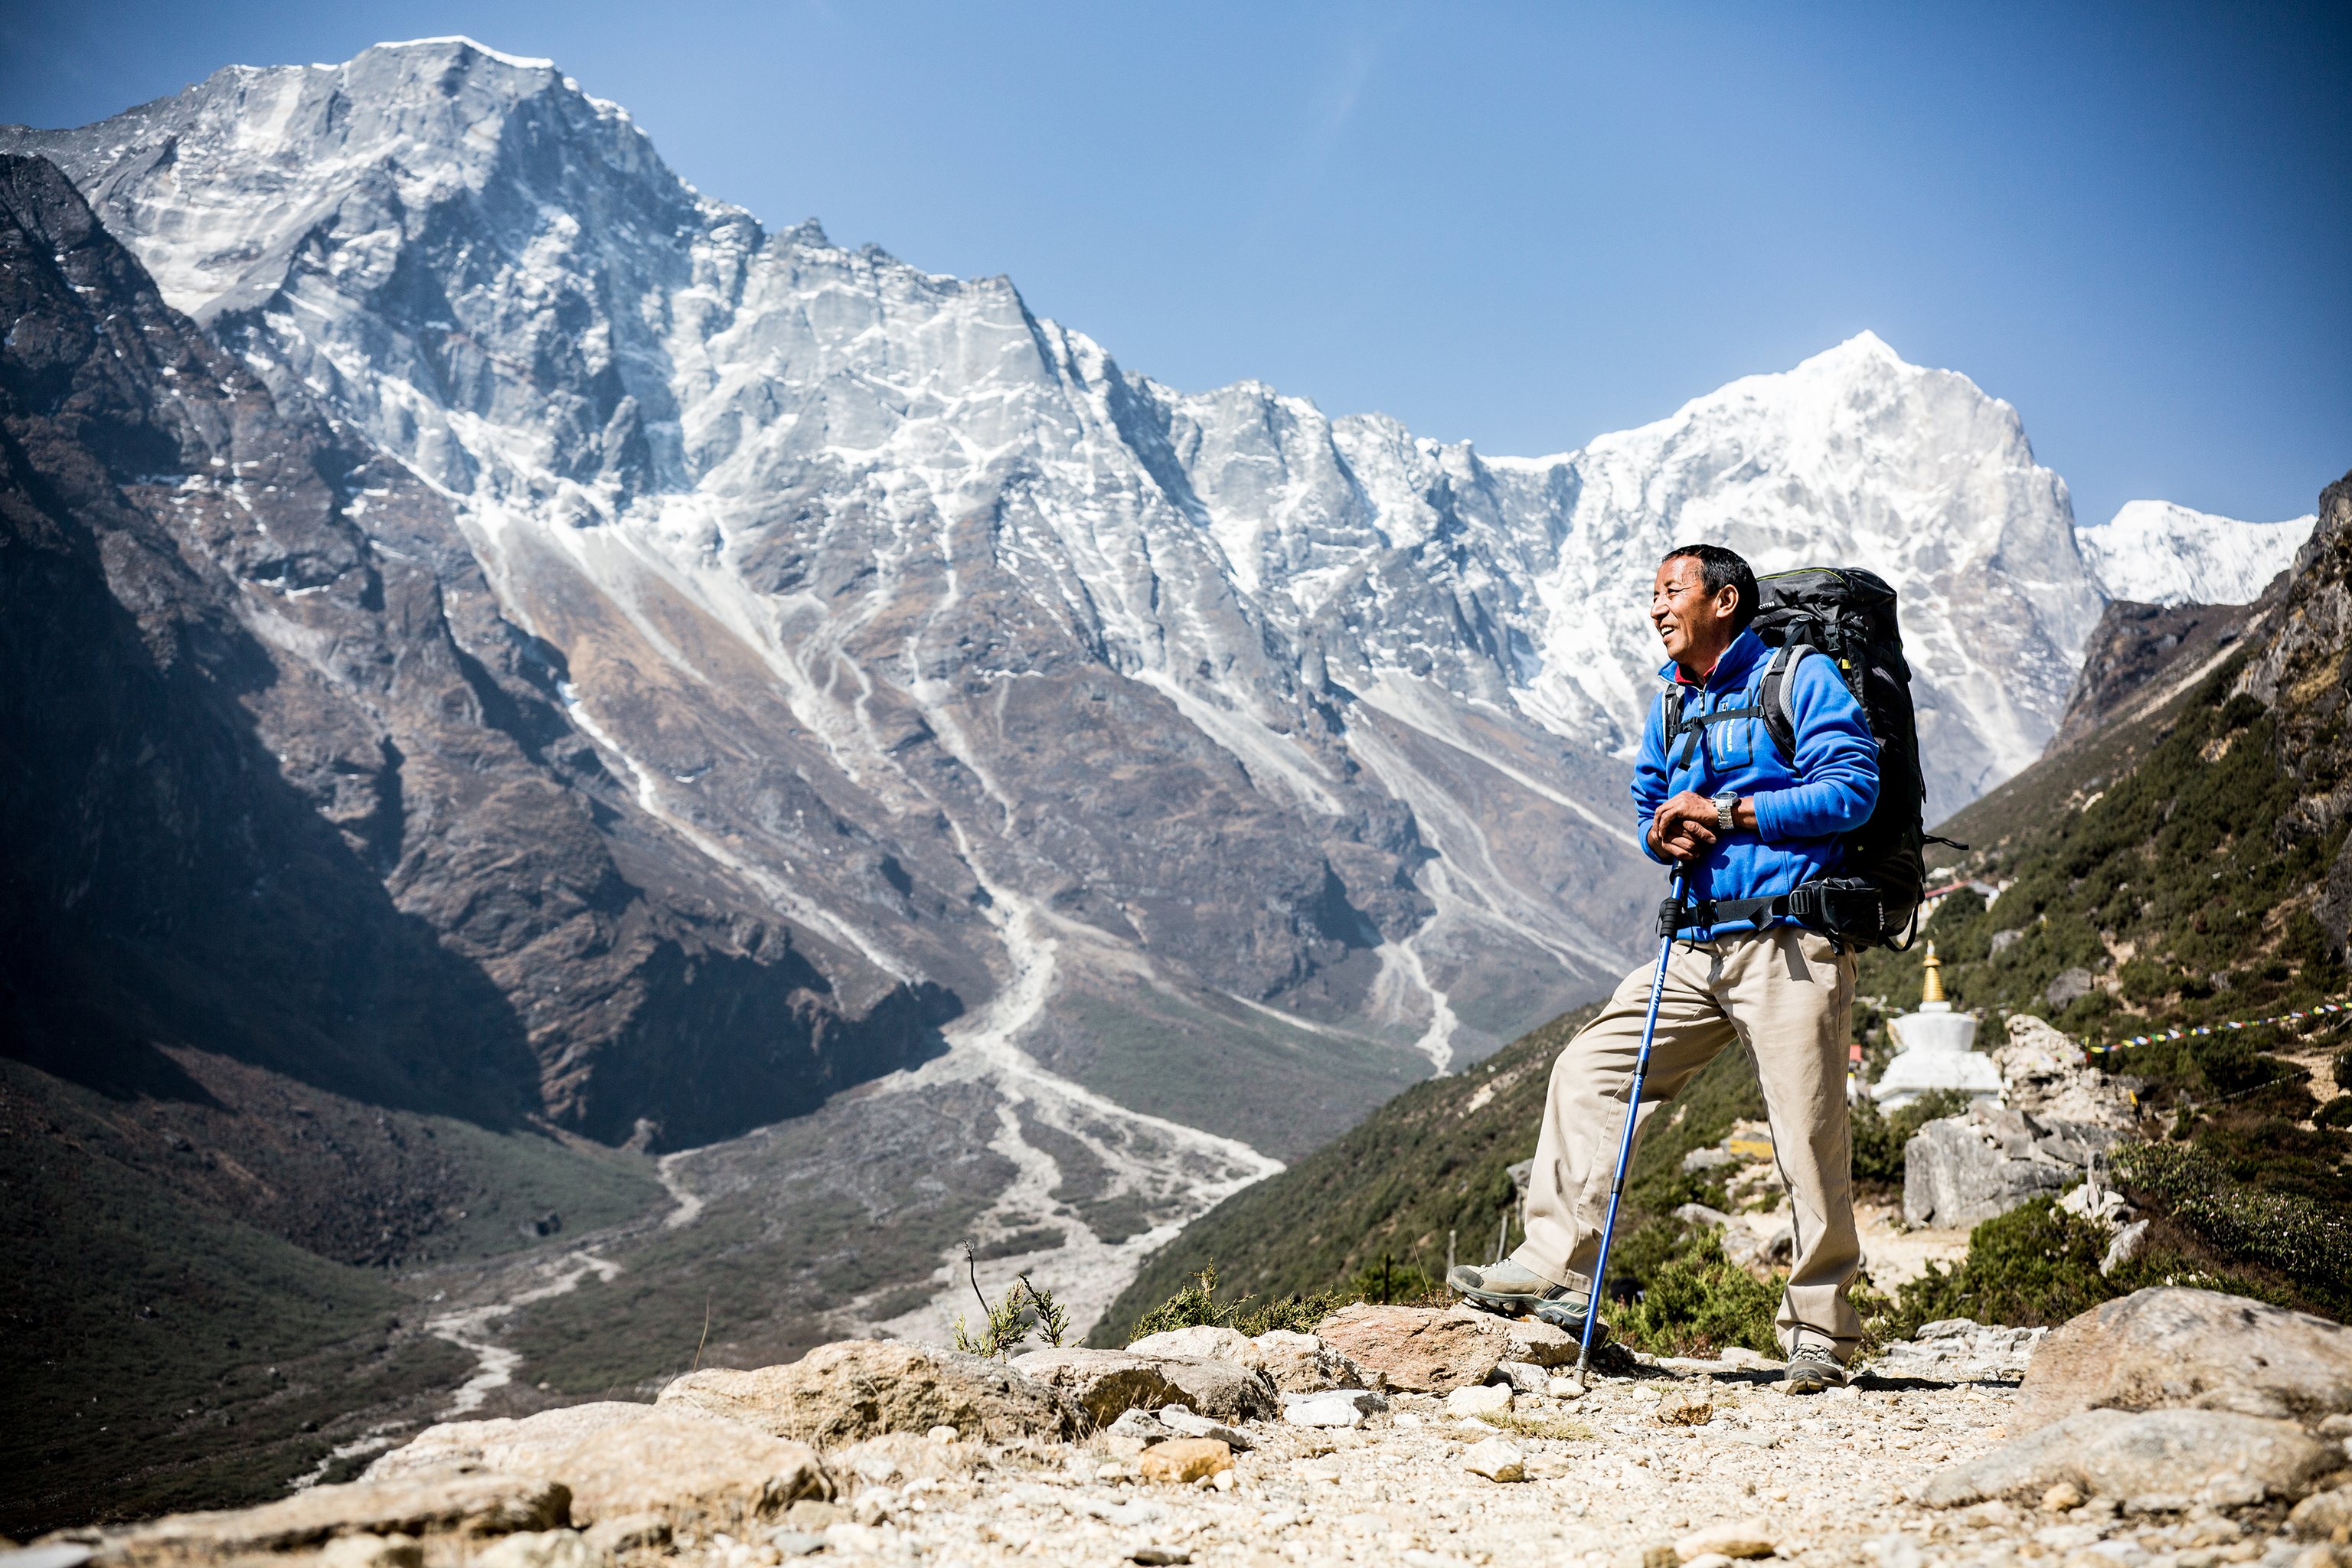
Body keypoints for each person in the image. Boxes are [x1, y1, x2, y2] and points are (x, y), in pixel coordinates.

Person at [1446, 543, 1881, 1393]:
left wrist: (1726, 809)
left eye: (1669, 591)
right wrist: (1660, 832)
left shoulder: (1799, 680)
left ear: (1725, 600)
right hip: (1692, 945)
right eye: (1652, 593)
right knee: (1588, 1069)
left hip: (1788, 939)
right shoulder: (1672, 700)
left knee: (1806, 1133)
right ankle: (1553, 1268)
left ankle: (1820, 1333)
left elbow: (1851, 790)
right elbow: (1651, 800)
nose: (1655, 608)